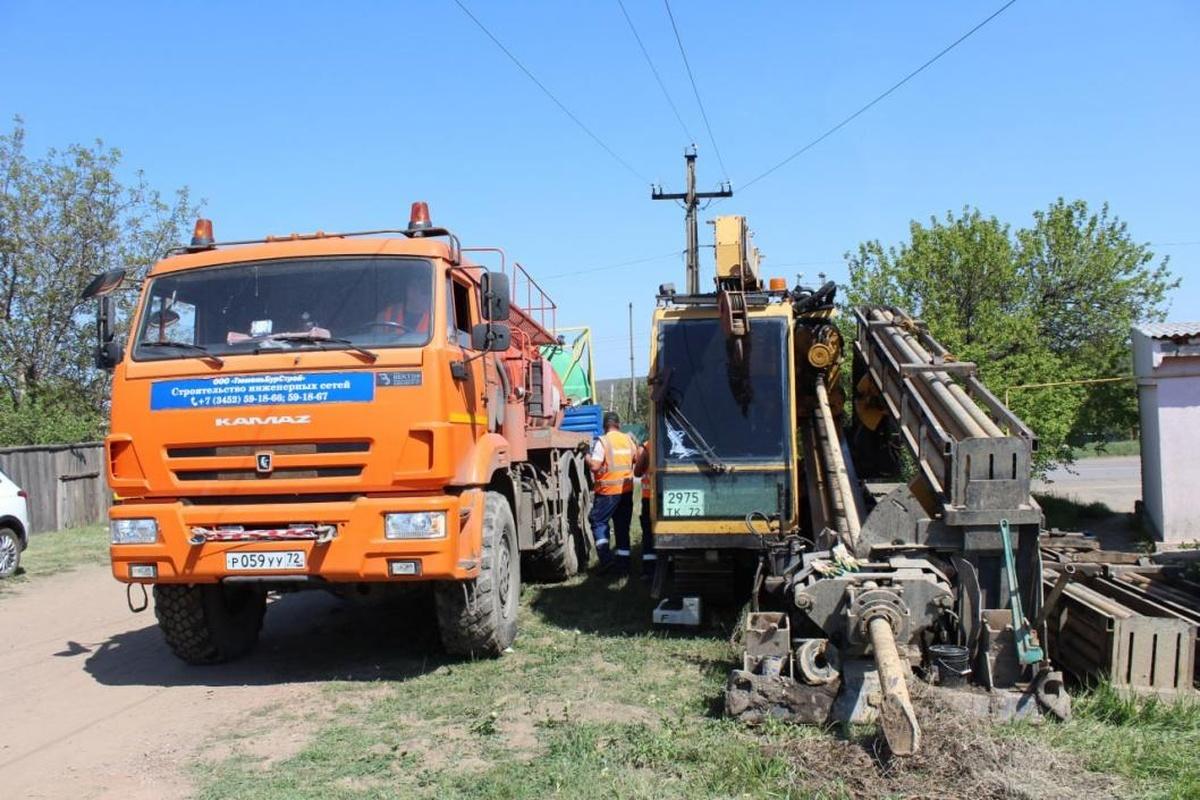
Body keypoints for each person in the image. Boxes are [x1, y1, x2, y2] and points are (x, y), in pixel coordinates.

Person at [586, 411, 639, 573]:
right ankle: (623, 565)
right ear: (619, 425)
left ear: (604, 426)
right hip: (626, 490)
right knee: (622, 526)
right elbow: (637, 459)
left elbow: (594, 466)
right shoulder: (628, 440)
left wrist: (586, 454)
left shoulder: (603, 441)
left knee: (598, 522)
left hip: (608, 491)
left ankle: (606, 559)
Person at [633, 440, 656, 581]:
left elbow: (636, 472)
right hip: (668, 494)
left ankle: (649, 569)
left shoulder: (648, 445)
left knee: (648, 532)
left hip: (650, 496)